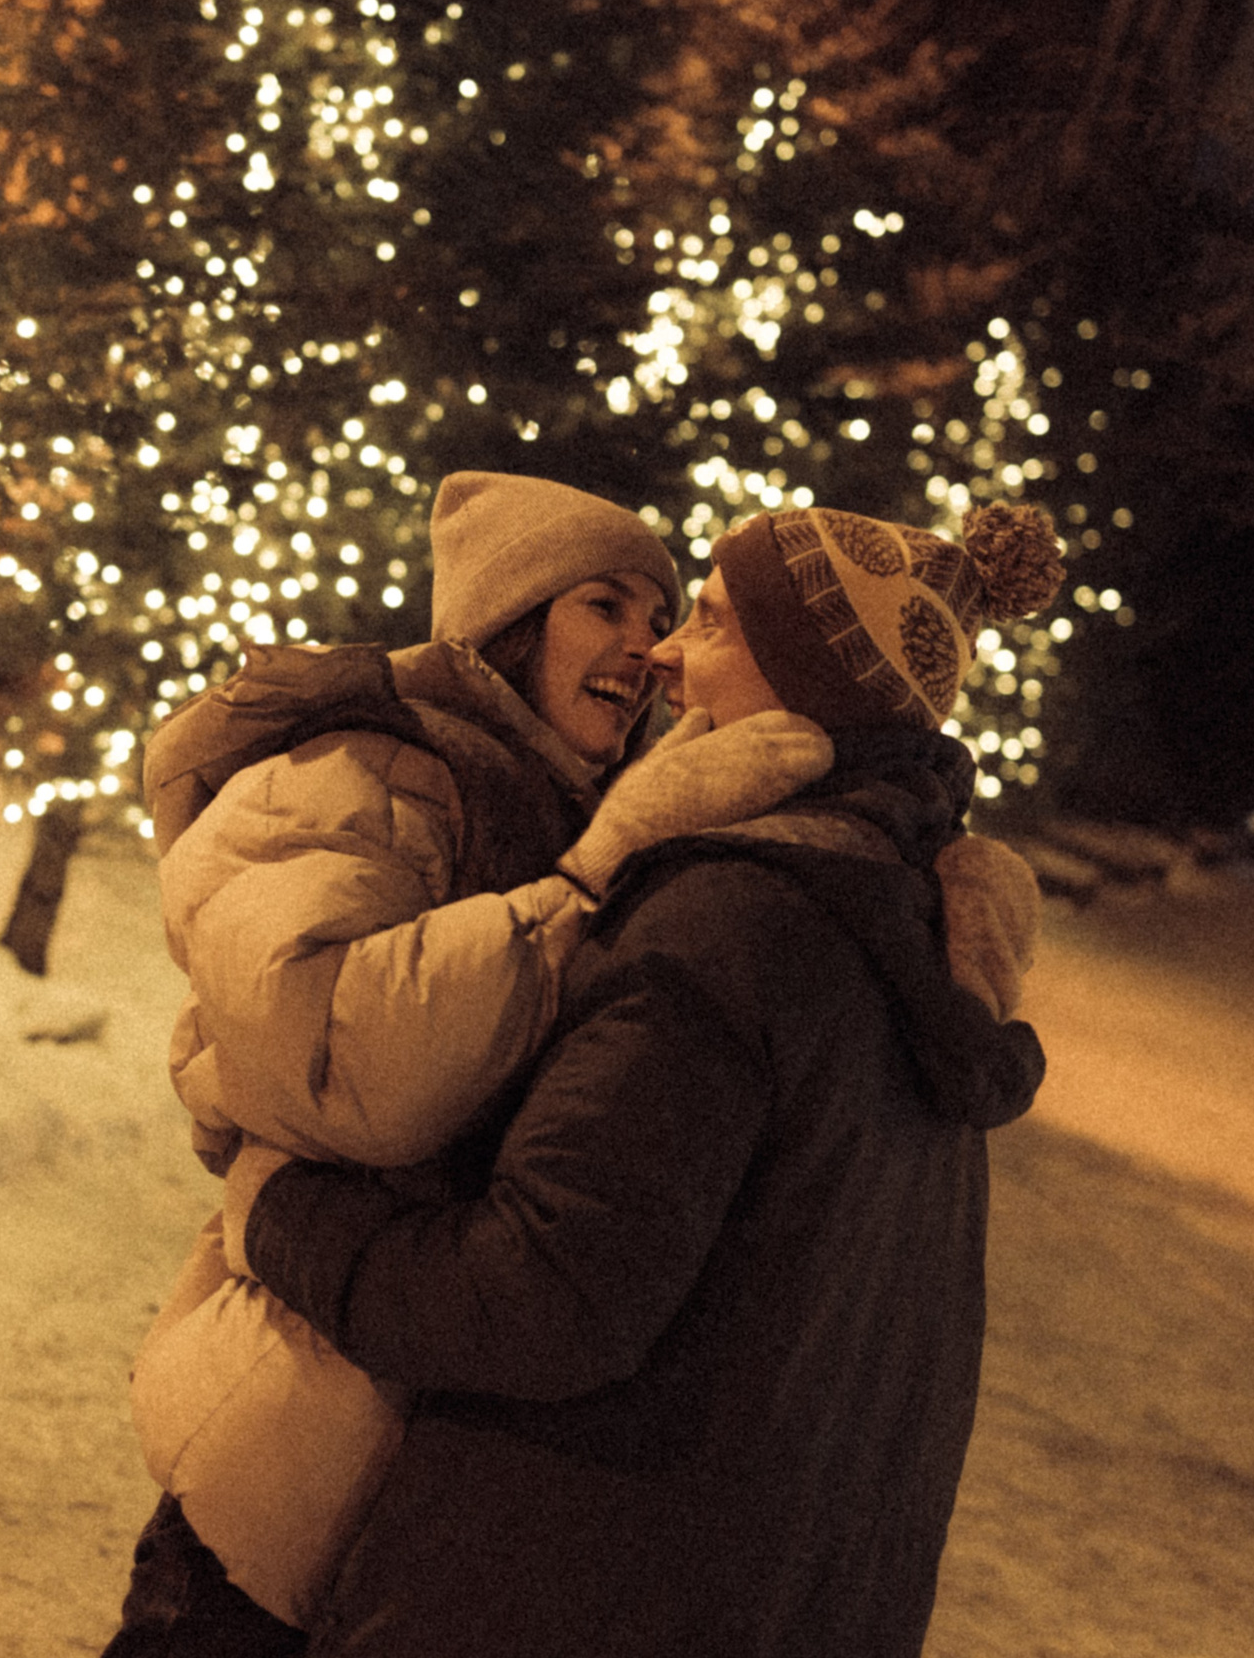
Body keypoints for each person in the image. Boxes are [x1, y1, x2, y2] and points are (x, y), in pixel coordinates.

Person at [229, 499, 1063, 1658]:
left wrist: (288, 1213)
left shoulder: (732, 921)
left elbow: (538, 1300)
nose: (662, 652)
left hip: (561, 1590)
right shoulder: (912, 923)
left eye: (708, 621)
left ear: (798, 675)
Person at [108, 471, 838, 1653]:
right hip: (287, 1430)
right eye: (604, 603)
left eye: (660, 618)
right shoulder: (369, 768)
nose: (645, 650)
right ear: (510, 614)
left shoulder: (556, 798)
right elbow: (343, 1060)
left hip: (415, 1454)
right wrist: (590, 875)